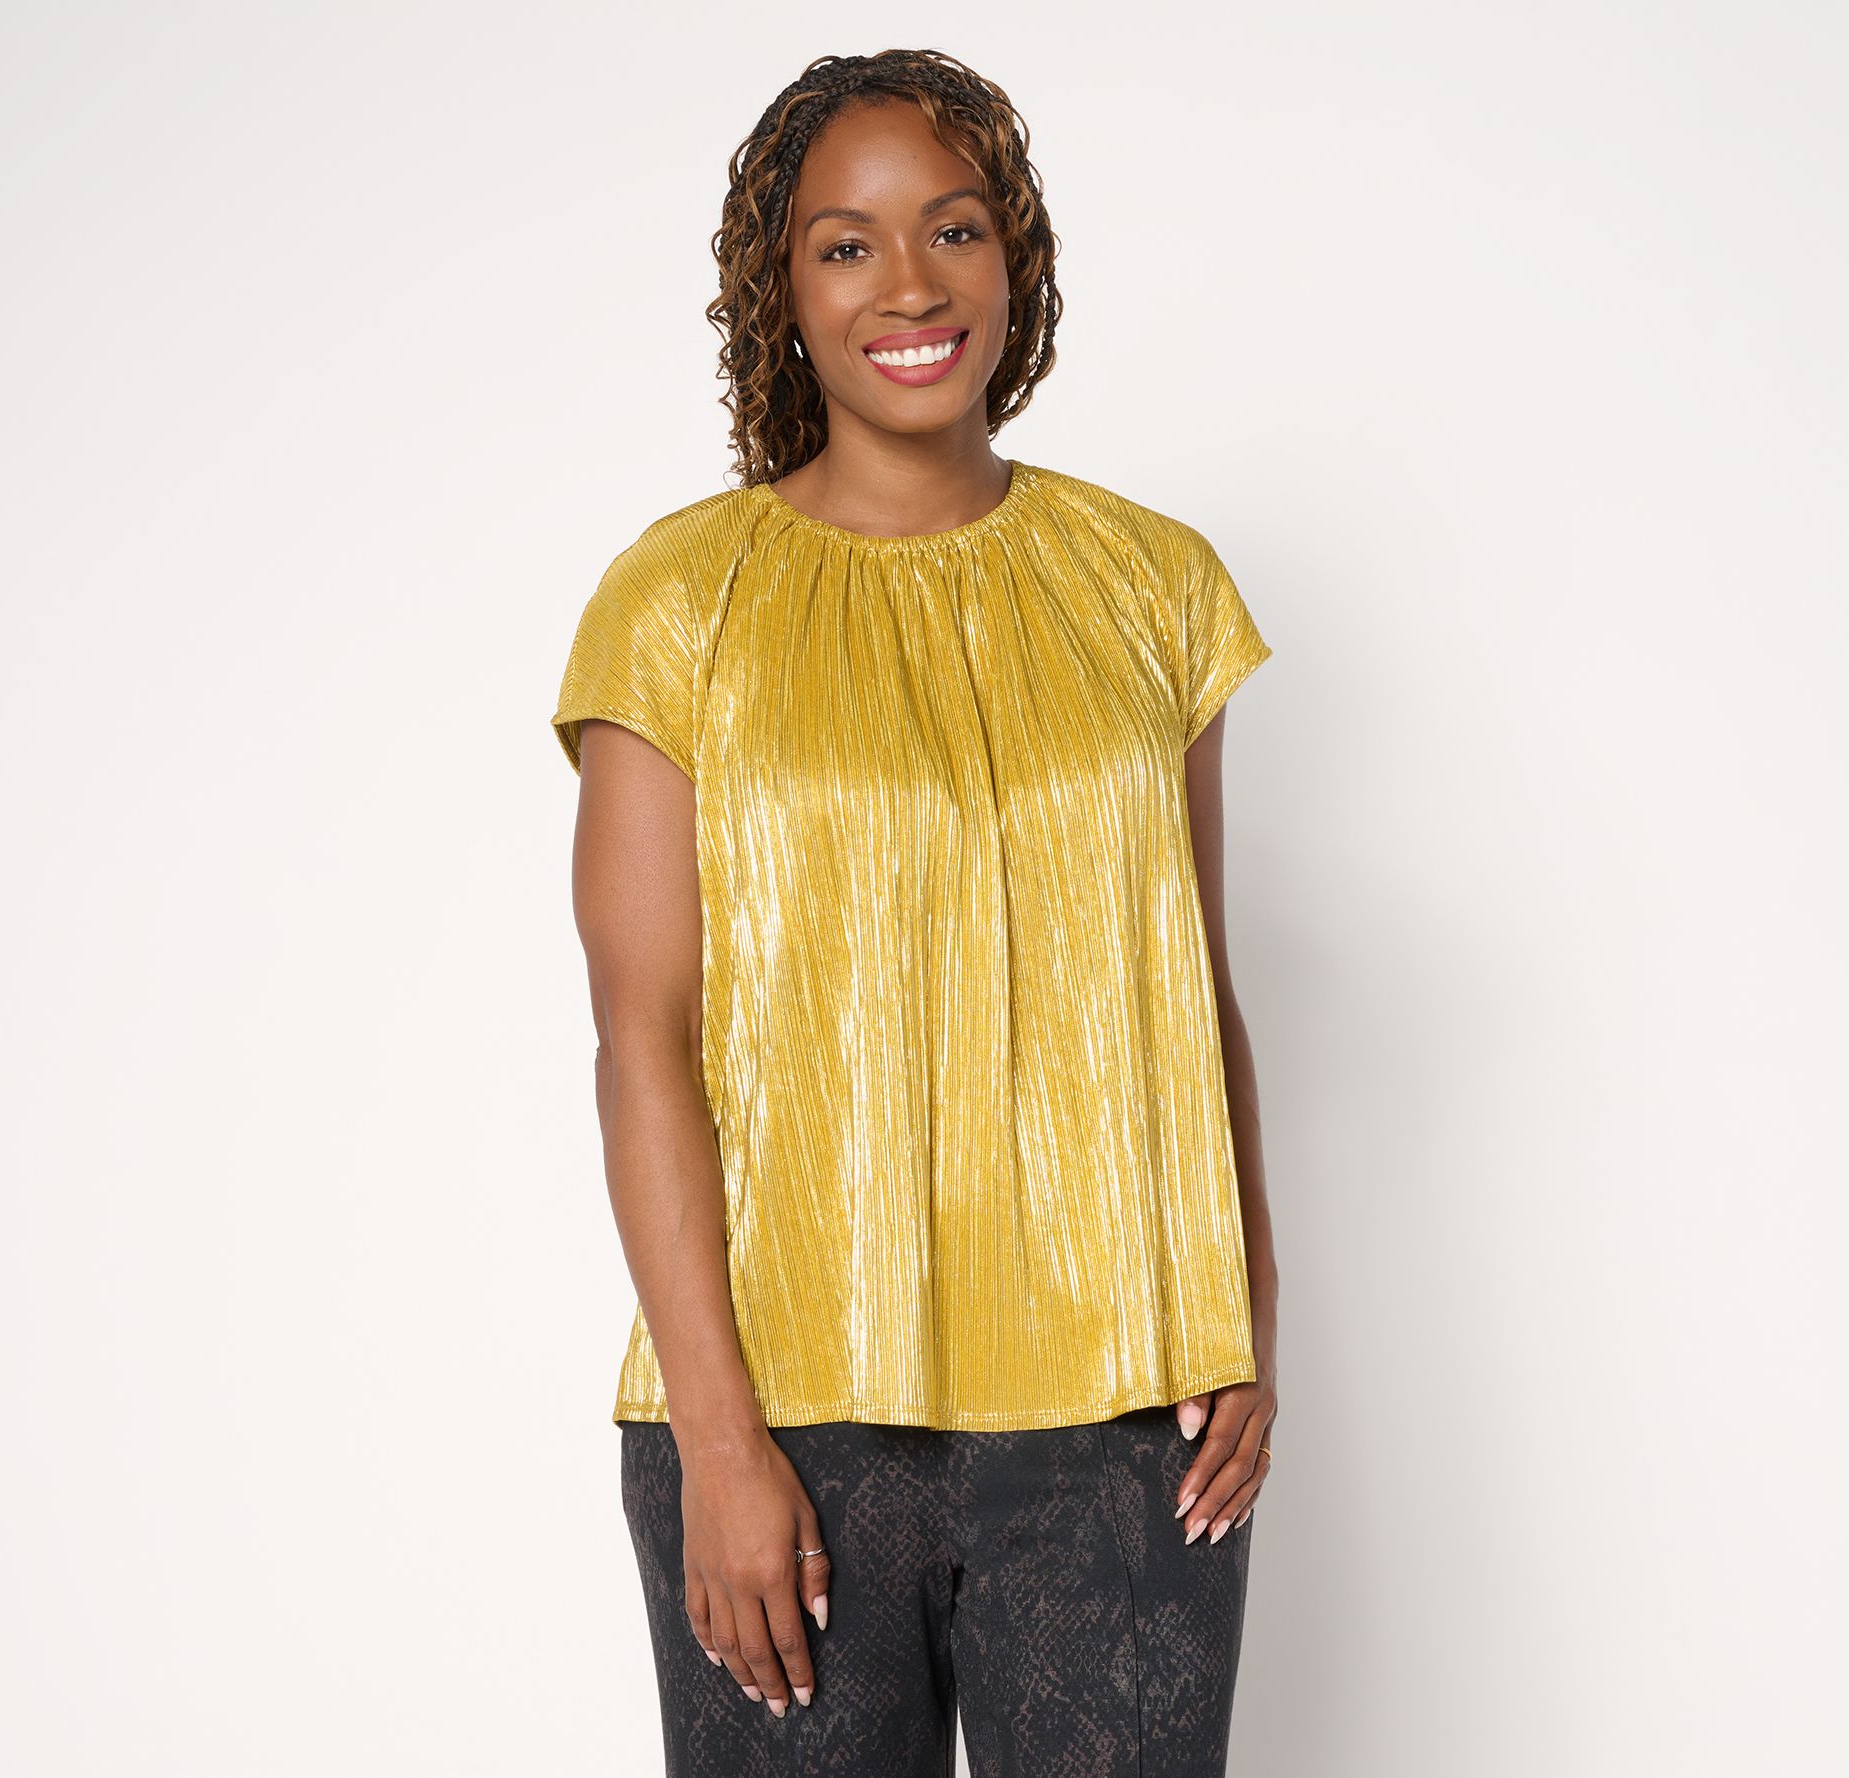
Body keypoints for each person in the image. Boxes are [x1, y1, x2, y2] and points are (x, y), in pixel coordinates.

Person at [551, 47, 1280, 1778]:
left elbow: (1196, 985)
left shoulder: (1153, 587)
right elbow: (643, 1039)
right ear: (782, 292)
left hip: (1127, 1413)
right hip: (784, 1420)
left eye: (953, 228)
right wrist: (719, 1443)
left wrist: (1246, 1315)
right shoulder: (679, 604)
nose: (909, 284)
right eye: (846, 244)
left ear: (1014, 260)